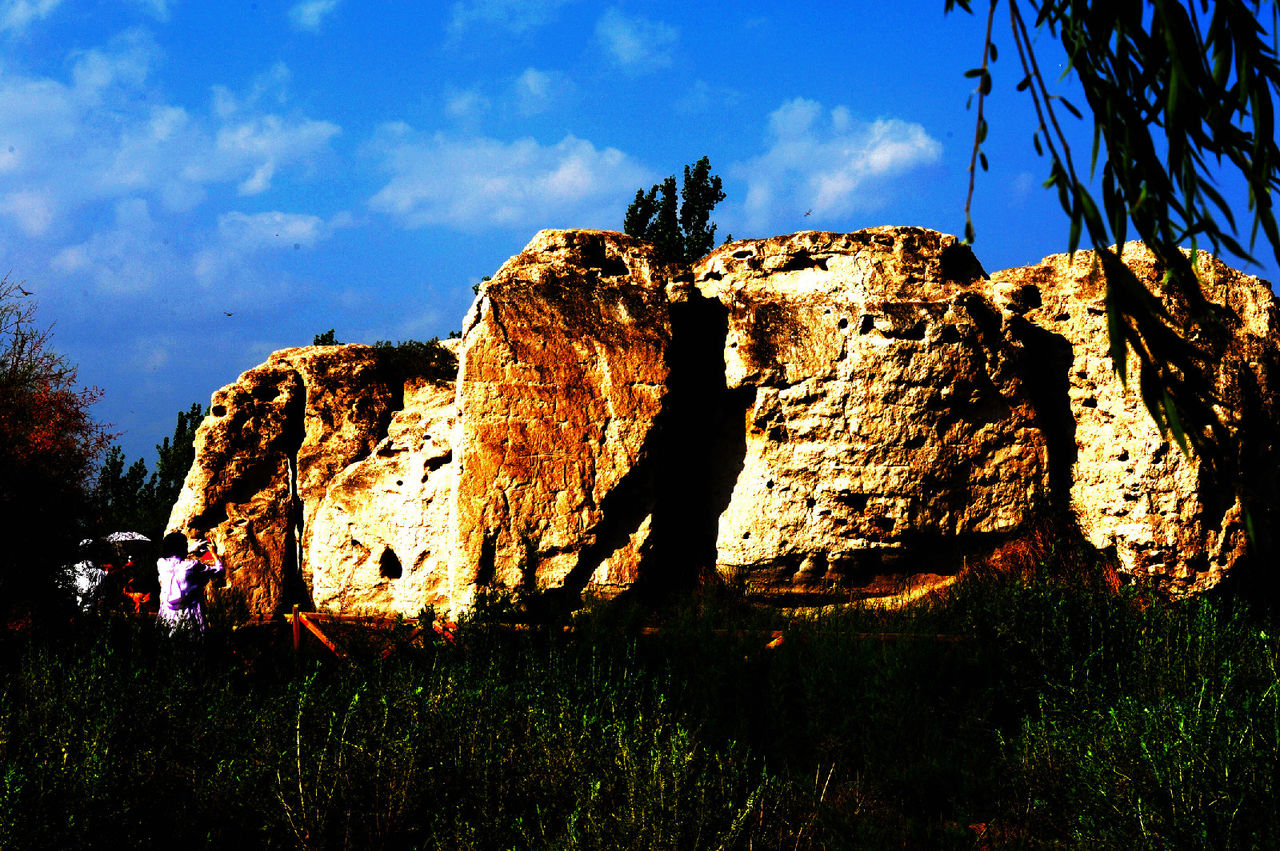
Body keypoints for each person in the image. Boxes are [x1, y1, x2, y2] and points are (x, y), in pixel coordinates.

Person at [156, 532, 225, 632]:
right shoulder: (193, 565)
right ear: (184, 547)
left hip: (168, 614)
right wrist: (213, 553)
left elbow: (176, 560)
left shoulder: (161, 563)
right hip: (189, 614)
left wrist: (191, 550)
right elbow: (220, 571)